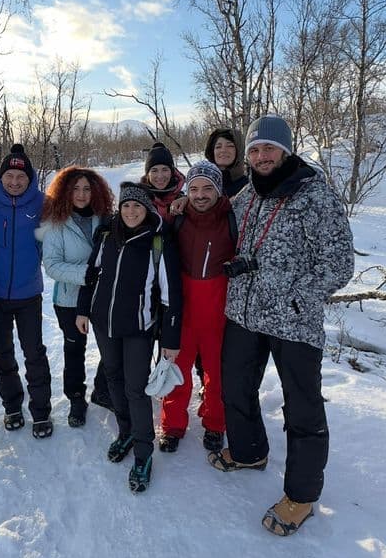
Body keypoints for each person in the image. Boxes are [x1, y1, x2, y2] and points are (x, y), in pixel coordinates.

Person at [209, 115, 354, 536]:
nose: (260, 156)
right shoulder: (246, 195)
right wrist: (182, 202)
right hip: (243, 314)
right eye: (254, 150)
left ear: (286, 151)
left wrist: (294, 294)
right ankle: (250, 452)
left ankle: (302, 495)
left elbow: (339, 265)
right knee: (235, 386)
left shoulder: (316, 197)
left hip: (294, 322)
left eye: (268, 149)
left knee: (302, 408)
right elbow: (211, 210)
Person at [76, 182, 182, 493]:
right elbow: (91, 275)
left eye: (137, 206)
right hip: (103, 324)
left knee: (136, 389)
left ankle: (143, 453)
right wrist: (83, 310)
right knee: (113, 378)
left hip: (138, 328)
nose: (131, 211)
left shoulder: (158, 242)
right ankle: (126, 431)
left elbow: (171, 296)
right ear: (119, 209)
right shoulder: (108, 235)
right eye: (126, 206)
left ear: (147, 209)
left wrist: (170, 340)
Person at [159, 160, 236, 455]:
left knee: (217, 374)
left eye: (207, 188)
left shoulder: (233, 217)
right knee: (176, 369)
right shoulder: (176, 218)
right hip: (184, 308)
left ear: (218, 190)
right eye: (194, 189)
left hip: (219, 309)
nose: (200, 194)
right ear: (186, 191)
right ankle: (172, 424)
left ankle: (216, 424)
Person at [0, 144, 52, 437]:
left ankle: (41, 412)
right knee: (2, 353)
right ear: (1, 177)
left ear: (30, 178)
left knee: (34, 353)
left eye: (20, 177)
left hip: (28, 293)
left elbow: (48, 240)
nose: (14, 181)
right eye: (9, 175)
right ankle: (12, 406)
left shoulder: (41, 204)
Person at [40, 167, 114, 427]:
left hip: (104, 297)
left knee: (111, 345)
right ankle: (76, 398)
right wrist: (87, 274)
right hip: (70, 299)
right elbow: (52, 265)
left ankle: (103, 390)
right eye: (76, 188)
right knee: (74, 350)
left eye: (87, 188)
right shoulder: (56, 222)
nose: (82, 194)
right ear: (65, 191)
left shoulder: (105, 219)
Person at [140, 140, 186, 221]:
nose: (160, 176)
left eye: (165, 169)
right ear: (147, 174)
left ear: (172, 172)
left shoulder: (183, 201)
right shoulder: (138, 200)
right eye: (154, 170)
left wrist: (189, 201)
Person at [204, 127, 248, 199]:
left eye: (230, 146)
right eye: (218, 147)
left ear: (239, 150)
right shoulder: (203, 182)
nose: (223, 150)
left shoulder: (248, 187)